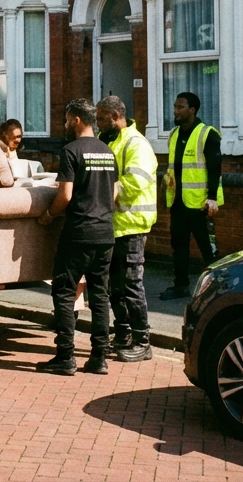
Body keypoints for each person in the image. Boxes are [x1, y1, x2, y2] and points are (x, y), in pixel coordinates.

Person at [36, 98, 118, 375]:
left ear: (78, 120)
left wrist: (49, 214)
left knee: (63, 291)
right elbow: (115, 192)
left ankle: (65, 356)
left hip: (79, 232)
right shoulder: (108, 152)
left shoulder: (71, 151)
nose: (65, 124)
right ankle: (99, 358)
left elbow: (65, 195)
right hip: (106, 233)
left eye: (67, 119)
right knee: (100, 296)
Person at [95, 95, 157, 363]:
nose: (97, 123)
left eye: (100, 118)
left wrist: (100, 195)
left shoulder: (137, 144)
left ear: (115, 116)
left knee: (131, 285)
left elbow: (133, 183)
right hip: (112, 226)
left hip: (131, 226)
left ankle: (143, 341)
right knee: (115, 288)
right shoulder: (106, 140)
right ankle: (122, 336)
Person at [160, 92, 223, 300]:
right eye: (175, 107)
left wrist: (212, 198)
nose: (175, 111)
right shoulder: (174, 134)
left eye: (180, 107)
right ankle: (180, 286)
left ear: (192, 110)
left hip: (200, 204)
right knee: (179, 247)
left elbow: (215, 170)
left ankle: (220, 288)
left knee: (207, 249)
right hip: (178, 202)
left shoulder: (208, 134)